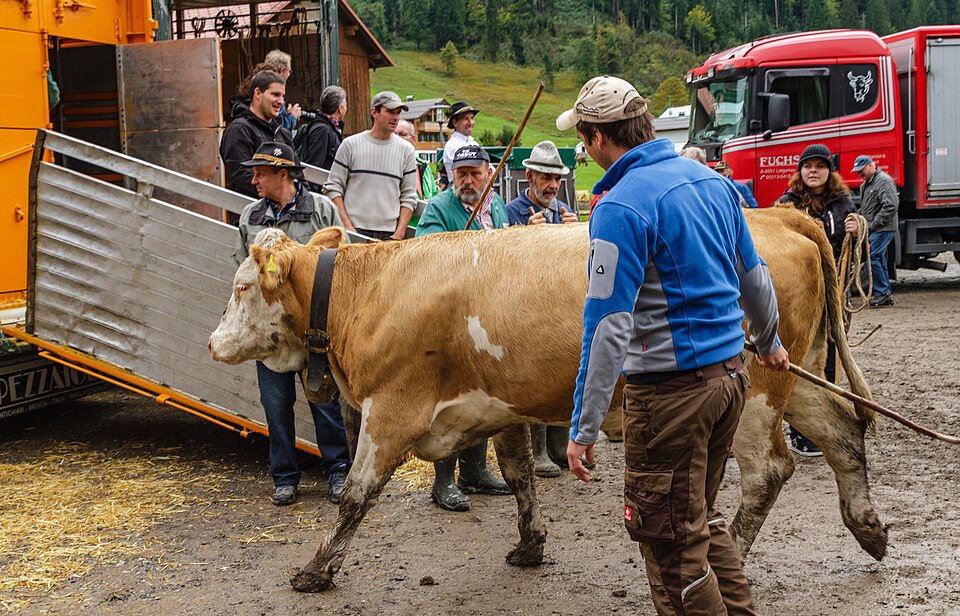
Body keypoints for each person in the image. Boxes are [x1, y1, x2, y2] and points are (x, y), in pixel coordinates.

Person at [557, 75, 789, 616]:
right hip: (730, 376)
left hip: (670, 397)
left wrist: (583, 427)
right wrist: (769, 341)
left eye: (583, 139)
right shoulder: (711, 182)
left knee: (670, 545)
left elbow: (609, 325)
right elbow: (754, 279)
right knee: (701, 521)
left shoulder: (619, 207)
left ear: (598, 138)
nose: (585, 151)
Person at [233, 141, 352, 506]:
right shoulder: (250, 217)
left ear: (283, 174)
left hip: (313, 329)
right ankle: (284, 477)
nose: (254, 180)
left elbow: (342, 265)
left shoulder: (321, 210)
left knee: (324, 400)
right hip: (270, 333)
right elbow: (243, 274)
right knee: (276, 406)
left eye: (260, 173)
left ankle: (338, 471)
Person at [415, 144, 511, 511]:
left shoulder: (497, 205)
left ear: (488, 172)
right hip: (452, 319)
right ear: (451, 176)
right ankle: (444, 481)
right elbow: (424, 252)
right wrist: (460, 244)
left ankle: (475, 471)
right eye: (461, 173)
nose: (468, 180)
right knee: (453, 398)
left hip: (489, 316)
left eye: (475, 172)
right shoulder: (440, 207)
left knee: (481, 395)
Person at [775, 143, 859, 456]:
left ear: (829, 171)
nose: (813, 171)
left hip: (831, 292)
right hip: (798, 296)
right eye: (808, 166)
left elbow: (853, 251)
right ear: (800, 171)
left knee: (828, 356)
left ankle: (821, 423)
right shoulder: (786, 203)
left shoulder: (843, 203)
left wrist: (856, 228)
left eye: (820, 166)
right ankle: (799, 427)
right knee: (798, 355)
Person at [503, 140, 578, 477]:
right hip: (526, 307)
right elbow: (505, 258)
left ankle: (559, 447)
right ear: (530, 176)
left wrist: (574, 233)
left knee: (563, 370)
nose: (552, 185)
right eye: (546, 178)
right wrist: (526, 236)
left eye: (557, 179)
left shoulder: (561, 209)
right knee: (536, 375)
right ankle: (538, 452)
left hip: (558, 303)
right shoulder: (512, 210)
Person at [323, 91, 418, 240]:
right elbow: (333, 188)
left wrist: (398, 234)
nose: (396, 118)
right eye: (390, 112)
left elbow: (409, 196)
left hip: (389, 236)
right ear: (374, 111)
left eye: (398, 113)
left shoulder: (407, 151)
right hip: (355, 231)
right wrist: (348, 227)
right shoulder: (350, 145)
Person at [220, 70, 294, 200]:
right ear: (258, 93)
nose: (281, 101)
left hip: (286, 214)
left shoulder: (283, 133)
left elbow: (296, 173)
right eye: (275, 95)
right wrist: (280, 194)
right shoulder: (238, 130)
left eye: (283, 96)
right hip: (251, 215)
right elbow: (241, 174)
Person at [852, 155, 898, 307]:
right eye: (857, 171)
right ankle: (885, 294)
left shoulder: (883, 181)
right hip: (877, 228)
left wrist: (872, 225)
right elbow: (866, 208)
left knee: (873, 257)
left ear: (872, 166)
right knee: (879, 259)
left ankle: (882, 293)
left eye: (861, 170)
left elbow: (891, 205)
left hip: (882, 228)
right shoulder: (866, 185)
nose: (859, 174)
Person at [300, 85, 347, 172]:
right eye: (345, 105)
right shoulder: (322, 131)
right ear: (340, 108)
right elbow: (314, 168)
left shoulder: (330, 128)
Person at [395, 119, 439, 200]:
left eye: (402, 134)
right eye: (394, 134)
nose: (397, 138)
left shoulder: (424, 166)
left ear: (413, 139)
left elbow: (434, 194)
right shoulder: (389, 167)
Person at [441, 101, 480, 184]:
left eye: (472, 118)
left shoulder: (473, 143)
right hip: (460, 192)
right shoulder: (453, 146)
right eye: (465, 119)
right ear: (455, 123)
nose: (471, 123)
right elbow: (473, 171)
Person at [263, 49, 302, 132]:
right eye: (289, 71)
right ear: (282, 71)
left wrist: (285, 115)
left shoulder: (261, 84)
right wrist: (292, 117)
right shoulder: (271, 89)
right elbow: (279, 128)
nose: (280, 101)